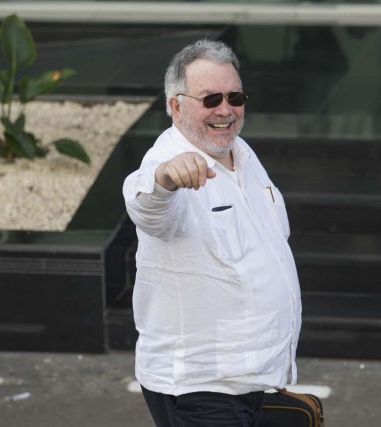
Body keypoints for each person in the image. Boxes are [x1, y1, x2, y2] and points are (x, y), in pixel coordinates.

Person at [122, 39, 302, 427]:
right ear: (175, 106)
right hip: (198, 389)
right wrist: (165, 178)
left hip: (252, 382)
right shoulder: (166, 162)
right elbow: (145, 204)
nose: (226, 110)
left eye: (235, 97)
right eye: (210, 99)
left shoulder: (242, 153)